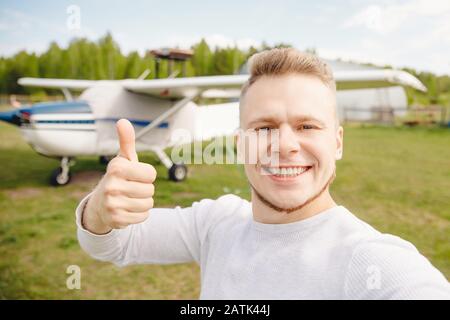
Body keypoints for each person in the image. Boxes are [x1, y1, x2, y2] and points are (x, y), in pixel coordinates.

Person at [76, 48, 450, 299]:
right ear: (240, 144)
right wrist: (100, 209)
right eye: (265, 127)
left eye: (307, 126)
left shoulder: (372, 260)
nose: (285, 145)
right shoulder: (215, 222)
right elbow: (113, 244)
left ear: (337, 142)